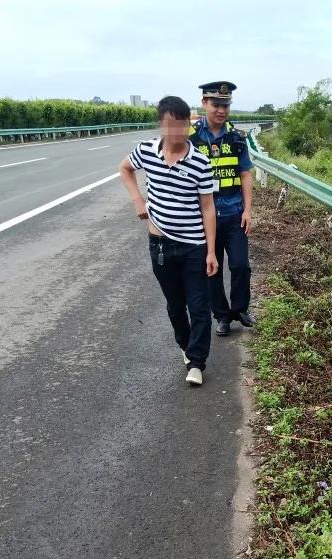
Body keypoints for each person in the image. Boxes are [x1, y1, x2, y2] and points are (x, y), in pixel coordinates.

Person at [119, 96, 218, 386]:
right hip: (160, 245)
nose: (175, 131)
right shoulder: (147, 151)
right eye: (169, 125)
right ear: (161, 126)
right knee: (175, 305)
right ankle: (186, 347)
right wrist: (138, 199)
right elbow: (124, 168)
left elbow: (208, 207)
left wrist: (211, 251)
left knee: (199, 306)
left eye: (181, 124)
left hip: (194, 246)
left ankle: (197, 362)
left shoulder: (200, 162)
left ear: (190, 124)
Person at [189, 81, 255, 337]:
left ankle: (240, 309)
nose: (221, 110)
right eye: (216, 104)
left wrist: (248, 210)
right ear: (204, 103)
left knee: (240, 265)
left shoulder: (237, 138)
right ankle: (222, 316)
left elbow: (245, 174)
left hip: (234, 214)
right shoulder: (191, 138)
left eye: (225, 105)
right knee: (212, 268)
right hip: (205, 218)